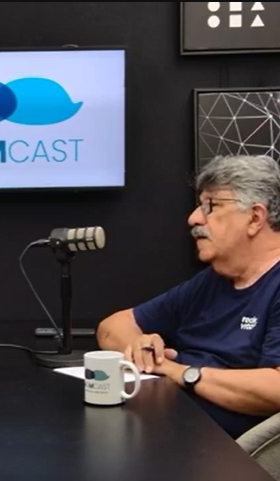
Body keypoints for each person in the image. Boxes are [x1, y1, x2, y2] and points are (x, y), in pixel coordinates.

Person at [96, 154, 280, 439]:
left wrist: (183, 373)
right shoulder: (212, 280)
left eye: (211, 206)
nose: (193, 218)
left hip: (215, 451)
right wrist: (141, 349)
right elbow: (111, 327)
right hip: (154, 428)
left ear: (255, 217)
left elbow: (275, 388)